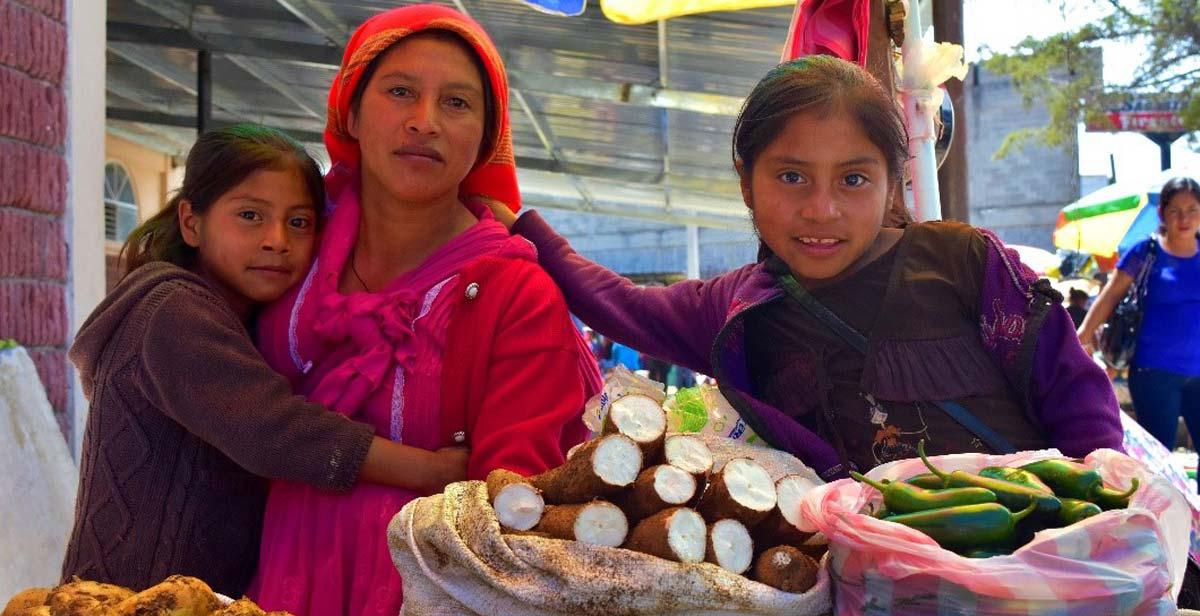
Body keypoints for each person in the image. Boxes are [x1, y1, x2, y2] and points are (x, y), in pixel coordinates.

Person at [488, 55, 1123, 478]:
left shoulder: (963, 260)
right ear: (746, 183)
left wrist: (1103, 503)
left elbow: (1073, 389)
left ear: (893, 182)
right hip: (867, 585)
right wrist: (520, 227)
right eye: (791, 176)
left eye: (853, 179)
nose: (821, 210)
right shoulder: (736, 308)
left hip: (1033, 560)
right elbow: (617, 302)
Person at [247, 6, 600, 615]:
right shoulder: (288, 246)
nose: (424, 122)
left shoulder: (516, 296)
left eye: (457, 103)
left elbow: (515, 516)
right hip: (267, 584)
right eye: (401, 92)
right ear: (351, 111)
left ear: (488, 137)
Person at [62, 125, 469, 597]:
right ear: (192, 222)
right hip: (128, 601)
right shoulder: (171, 311)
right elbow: (272, 430)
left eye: (299, 222)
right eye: (250, 215)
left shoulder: (246, 320)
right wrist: (434, 471)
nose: (277, 240)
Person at [1078, 177, 1200, 461]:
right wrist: (1080, 338)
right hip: (1154, 373)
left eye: (1192, 209)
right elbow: (1109, 297)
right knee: (1158, 461)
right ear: (1162, 214)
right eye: (1175, 210)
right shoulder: (1145, 253)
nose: (1183, 218)